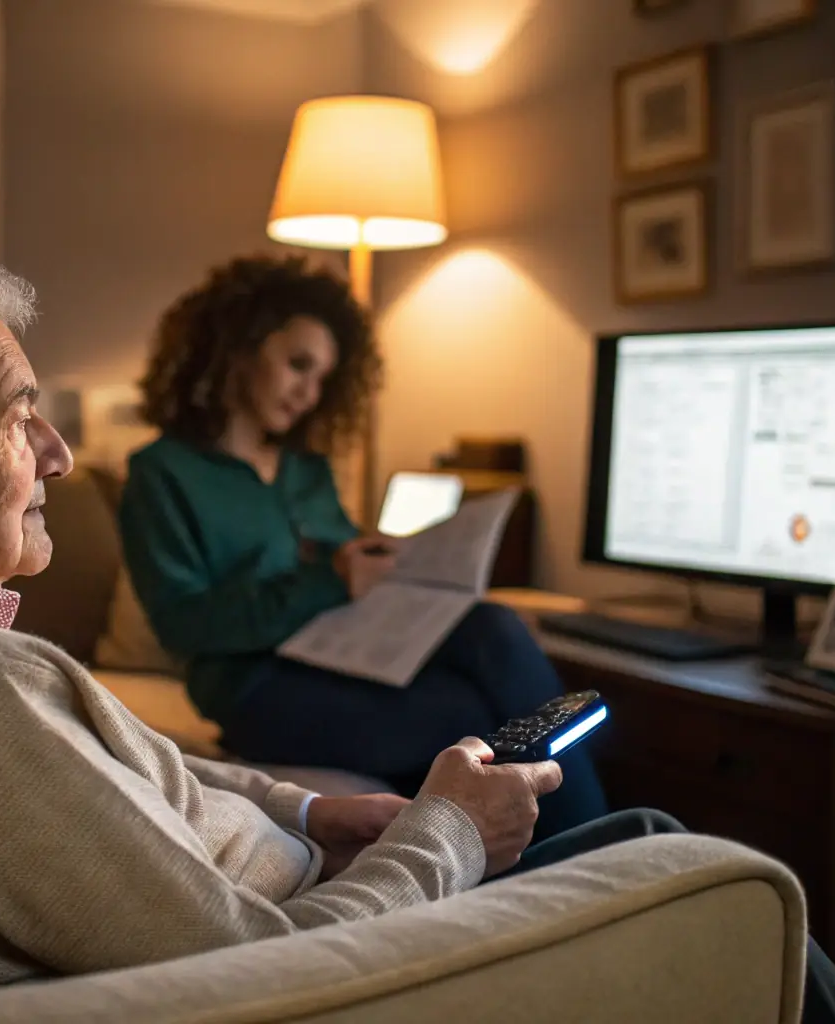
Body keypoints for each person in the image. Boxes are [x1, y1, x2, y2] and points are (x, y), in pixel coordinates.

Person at [0, 240, 835, 1022]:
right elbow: (254, 969)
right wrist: (447, 835)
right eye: (23, 414)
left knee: (505, 661)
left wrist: (321, 812)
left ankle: (534, 795)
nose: (62, 458)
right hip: (335, 956)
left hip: (323, 878)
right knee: (694, 860)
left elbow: (142, 767)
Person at [118, 254, 606, 841]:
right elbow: (184, 625)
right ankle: (593, 849)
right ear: (237, 347)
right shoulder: (162, 473)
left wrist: (393, 570)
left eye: (323, 378)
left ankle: (590, 847)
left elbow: (346, 563)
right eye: (298, 365)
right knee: (471, 718)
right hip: (260, 689)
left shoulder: (306, 470)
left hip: (351, 653)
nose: (309, 391)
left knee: (494, 626)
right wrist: (329, 581)